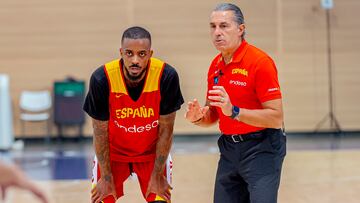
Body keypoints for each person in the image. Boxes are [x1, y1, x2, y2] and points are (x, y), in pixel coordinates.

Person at [185, 3, 286, 203]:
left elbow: (276, 117)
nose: (217, 32)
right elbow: (213, 114)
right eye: (213, 26)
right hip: (229, 150)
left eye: (224, 26)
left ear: (241, 29)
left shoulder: (260, 62)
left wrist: (235, 111)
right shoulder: (215, 65)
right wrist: (198, 118)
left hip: (262, 147)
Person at [83, 26, 184, 203]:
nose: (135, 60)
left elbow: (166, 130)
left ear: (150, 53)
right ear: (121, 52)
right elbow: (99, 132)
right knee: (101, 198)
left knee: (160, 198)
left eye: (142, 54)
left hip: (151, 154)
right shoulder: (102, 79)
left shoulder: (166, 76)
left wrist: (158, 174)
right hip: (112, 154)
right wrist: (106, 178)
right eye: (129, 53)